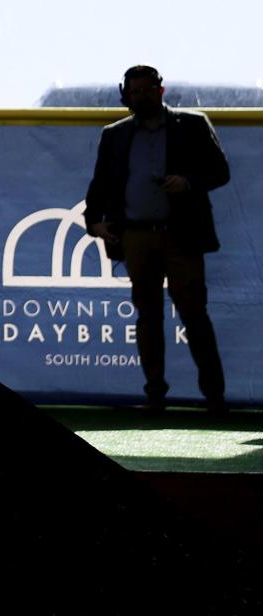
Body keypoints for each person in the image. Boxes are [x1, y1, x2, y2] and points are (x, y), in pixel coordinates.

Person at [84, 65, 230, 414]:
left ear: (160, 91)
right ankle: (154, 396)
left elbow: (220, 171)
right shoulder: (115, 134)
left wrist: (188, 181)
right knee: (147, 317)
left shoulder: (192, 124)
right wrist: (94, 223)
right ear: (126, 95)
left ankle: (214, 398)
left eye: (146, 91)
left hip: (181, 236)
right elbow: (101, 183)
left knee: (194, 315)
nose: (139, 97)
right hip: (135, 236)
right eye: (133, 92)